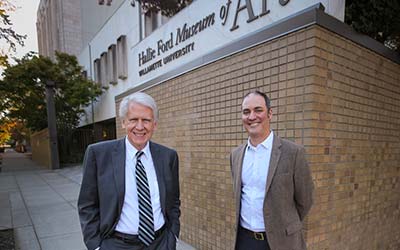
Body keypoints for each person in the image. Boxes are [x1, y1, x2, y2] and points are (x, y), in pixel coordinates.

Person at [78, 92, 180, 250]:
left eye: (146, 120)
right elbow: (87, 204)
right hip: (117, 244)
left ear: (155, 124)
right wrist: (95, 246)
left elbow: (173, 201)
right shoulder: (98, 154)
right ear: (124, 122)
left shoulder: (168, 157)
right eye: (133, 120)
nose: (140, 127)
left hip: (160, 243)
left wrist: (173, 235)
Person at [230, 90, 314, 250]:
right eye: (246, 112)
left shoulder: (293, 153)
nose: (252, 116)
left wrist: (285, 225)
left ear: (270, 114)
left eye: (258, 110)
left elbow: (306, 200)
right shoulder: (235, 155)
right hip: (244, 240)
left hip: (281, 242)